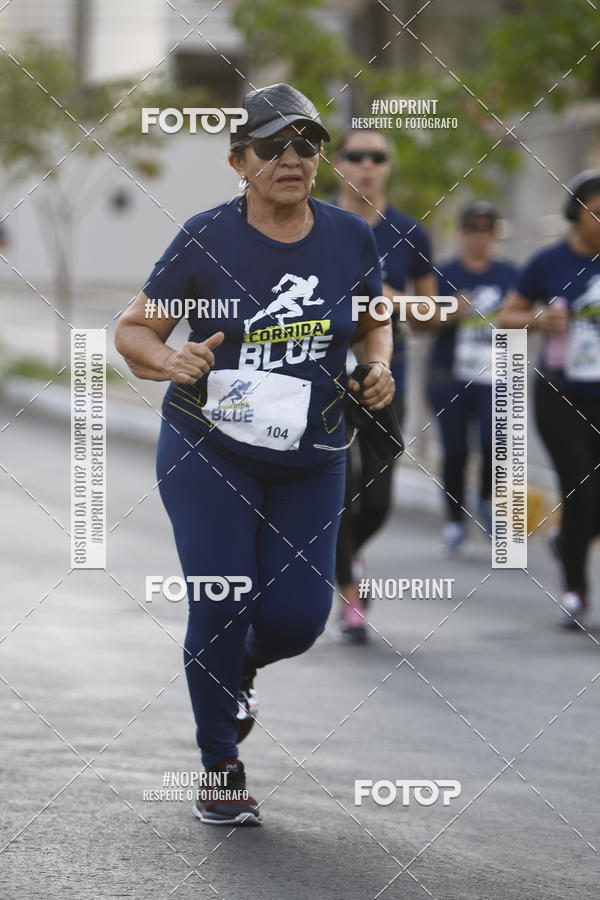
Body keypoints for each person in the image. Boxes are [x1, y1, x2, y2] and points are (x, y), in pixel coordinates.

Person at [114, 84, 394, 825]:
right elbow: (134, 332)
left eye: (306, 143)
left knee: (300, 620)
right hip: (210, 449)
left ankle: (235, 670)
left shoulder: (349, 237)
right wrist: (167, 361)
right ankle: (220, 767)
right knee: (222, 599)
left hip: (314, 452)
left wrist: (379, 366)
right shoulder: (206, 237)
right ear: (239, 161)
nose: (291, 158)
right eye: (272, 146)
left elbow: (373, 322)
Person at [332, 128, 435, 643]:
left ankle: (346, 552)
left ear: (388, 166)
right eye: (356, 156)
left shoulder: (410, 234)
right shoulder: (317, 222)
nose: (366, 166)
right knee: (336, 490)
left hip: (383, 372)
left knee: (376, 497)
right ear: (338, 164)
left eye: (377, 157)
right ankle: (351, 594)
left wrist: (389, 297)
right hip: (325, 368)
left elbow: (431, 313)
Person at [499, 171, 600, 628]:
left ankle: (568, 540)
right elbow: (506, 316)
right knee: (582, 489)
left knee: (591, 505)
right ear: (576, 214)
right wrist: (539, 318)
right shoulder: (548, 263)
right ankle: (576, 588)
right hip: (562, 396)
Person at [426, 201, 516, 555]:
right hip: (448, 374)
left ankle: (485, 502)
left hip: (495, 375)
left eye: (487, 229)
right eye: (473, 228)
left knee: (495, 444)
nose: (480, 236)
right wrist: (450, 312)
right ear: (462, 233)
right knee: (456, 450)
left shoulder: (510, 274)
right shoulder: (443, 272)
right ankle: (454, 520)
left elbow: (529, 314)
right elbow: (419, 321)